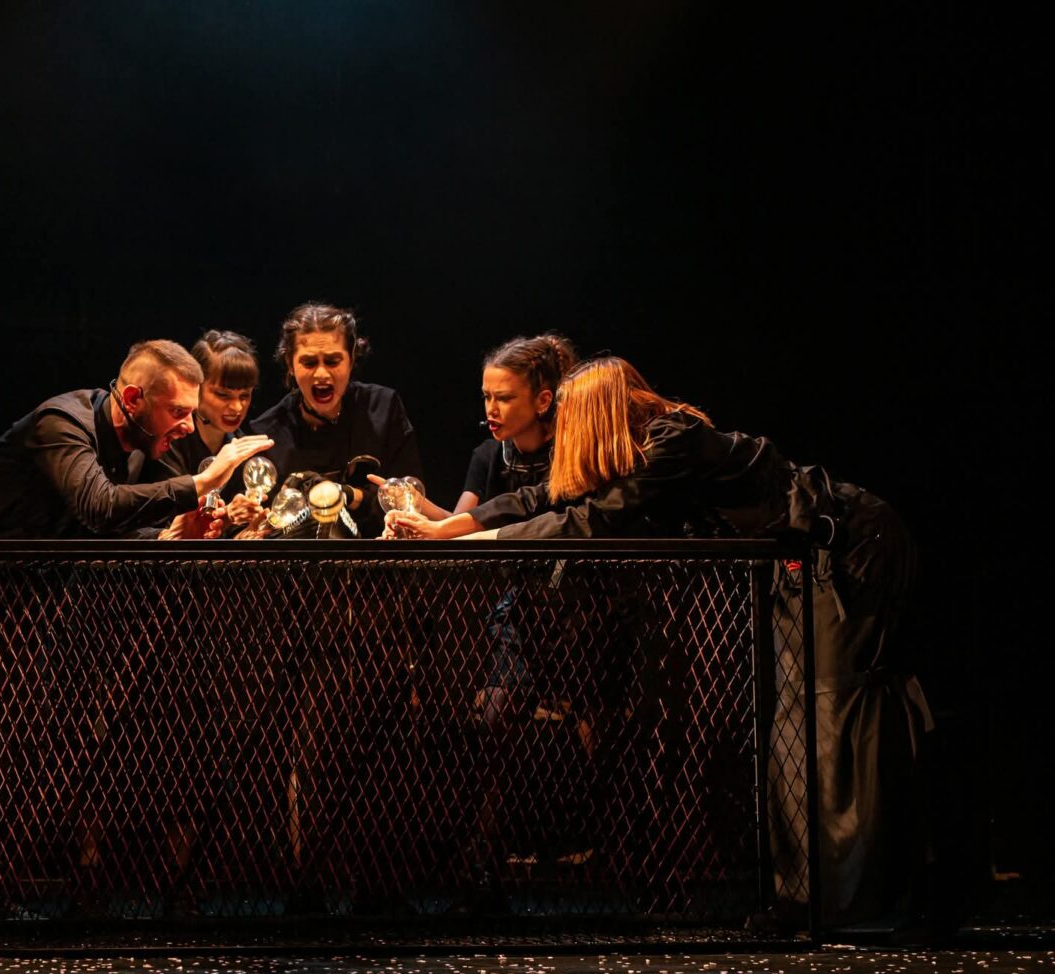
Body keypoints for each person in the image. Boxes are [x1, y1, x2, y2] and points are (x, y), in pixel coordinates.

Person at [385, 355, 933, 934]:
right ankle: (822, 894)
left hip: (845, 547)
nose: (563, 429)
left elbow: (586, 521)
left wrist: (470, 541)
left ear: (595, 412)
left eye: (571, 414)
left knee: (830, 710)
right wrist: (451, 528)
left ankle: (849, 898)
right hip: (801, 563)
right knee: (798, 720)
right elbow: (543, 498)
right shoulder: (633, 450)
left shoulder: (672, 441)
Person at [0, 340, 272, 539]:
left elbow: (102, 530)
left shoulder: (137, 446)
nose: (189, 427)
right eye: (178, 412)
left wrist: (167, 537)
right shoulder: (60, 423)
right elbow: (98, 507)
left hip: (16, 583)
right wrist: (202, 482)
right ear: (133, 399)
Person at [247, 302, 421, 538]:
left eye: (332, 361)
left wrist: (345, 494)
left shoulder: (384, 408)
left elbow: (410, 499)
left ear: (351, 358)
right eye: (309, 363)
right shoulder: (267, 433)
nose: (321, 374)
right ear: (290, 364)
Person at [393, 333, 577, 521]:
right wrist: (417, 503)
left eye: (504, 398)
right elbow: (457, 524)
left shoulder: (574, 455)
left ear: (543, 400)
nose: (491, 409)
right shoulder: (488, 455)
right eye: (487, 397)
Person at [163, 329, 268, 532]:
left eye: (245, 395)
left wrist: (243, 535)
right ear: (196, 386)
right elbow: (164, 519)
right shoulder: (167, 441)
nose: (237, 407)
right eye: (223, 395)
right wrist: (225, 515)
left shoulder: (243, 451)